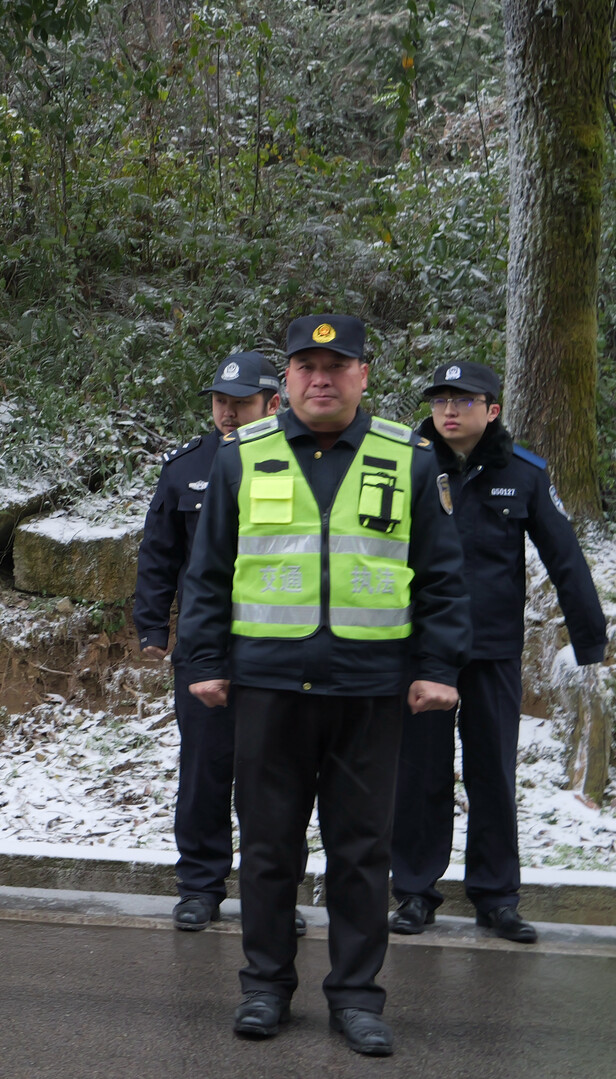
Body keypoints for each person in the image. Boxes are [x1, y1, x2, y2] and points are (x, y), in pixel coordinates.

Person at [177, 315, 467, 1057]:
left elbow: (441, 578)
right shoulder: (244, 456)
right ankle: (265, 987)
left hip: (368, 689)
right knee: (268, 846)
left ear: (363, 374)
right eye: (306, 366)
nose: (321, 379)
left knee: (362, 850)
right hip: (268, 685)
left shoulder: (408, 458)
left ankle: (357, 998)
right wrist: (203, 660)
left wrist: (437, 668)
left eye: (337, 366)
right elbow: (207, 571)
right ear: (289, 377)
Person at [390, 361, 606, 943]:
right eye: (440, 400)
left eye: (464, 400)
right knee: (420, 775)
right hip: (422, 651)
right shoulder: (407, 465)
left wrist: (590, 639)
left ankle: (496, 898)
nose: (449, 410)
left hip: (492, 651)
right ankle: (414, 892)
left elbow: (564, 555)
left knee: (492, 774)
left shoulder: (524, 474)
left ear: (492, 410)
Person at [133, 352, 283, 932]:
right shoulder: (186, 467)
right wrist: (153, 626)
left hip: (275, 642)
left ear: (273, 403)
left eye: (241, 403)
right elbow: (159, 552)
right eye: (221, 401)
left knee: (274, 776)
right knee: (204, 769)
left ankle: (271, 894)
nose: (227, 413)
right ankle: (199, 885)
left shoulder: (295, 462)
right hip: (204, 643)